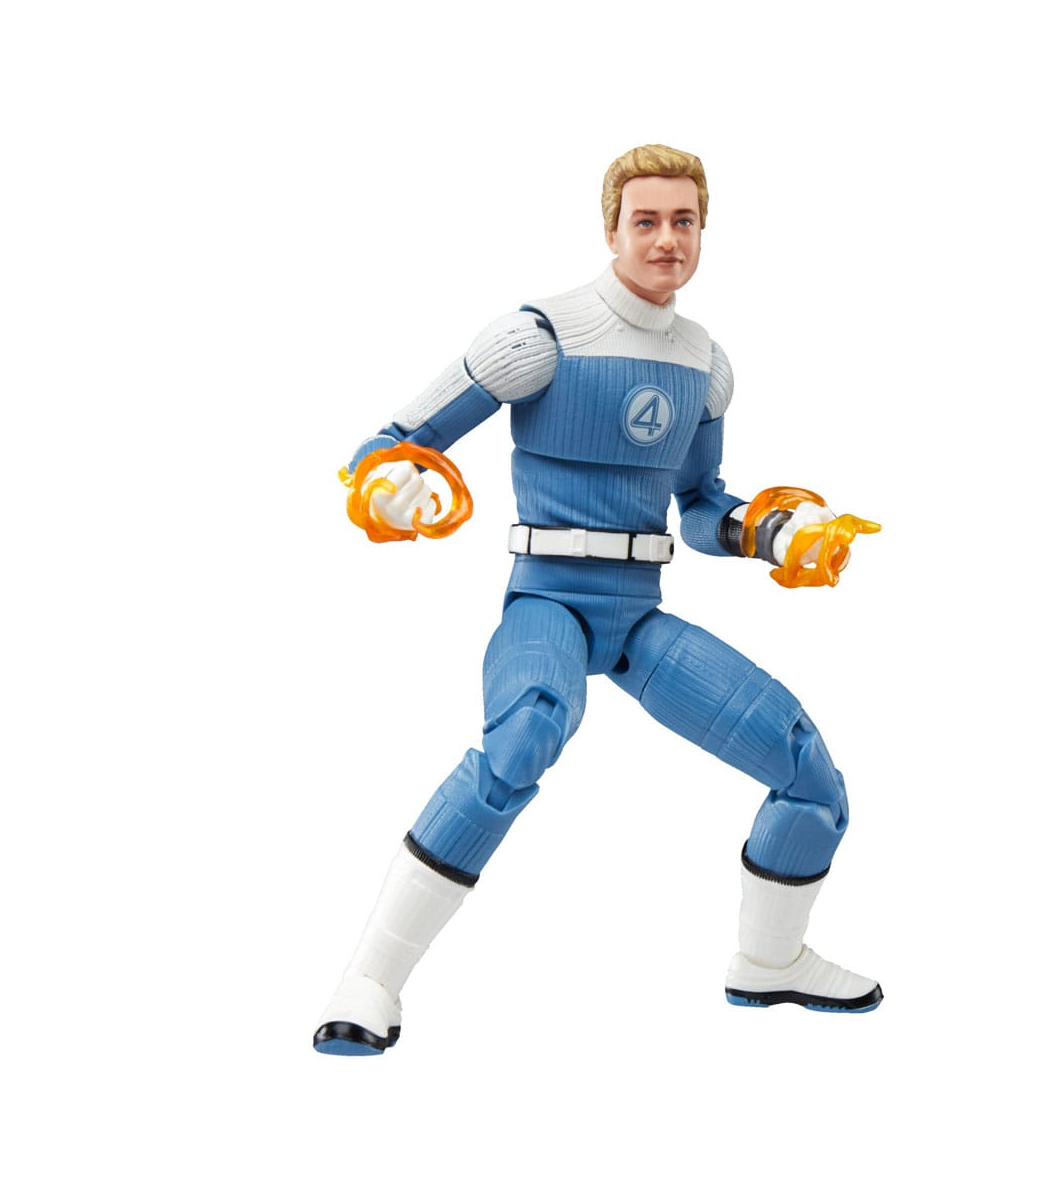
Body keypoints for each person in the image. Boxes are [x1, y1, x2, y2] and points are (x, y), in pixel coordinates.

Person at [314, 144, 882, 1056]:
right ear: (611, 228)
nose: (666, 240)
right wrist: (388, 487)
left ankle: (770, 961)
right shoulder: (539, 336)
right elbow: (391, 442)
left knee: (808, 772)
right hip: (548, 602)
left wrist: (774, 532)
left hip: (638, 617)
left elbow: (702, 508)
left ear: (704, 230)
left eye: (684, 221)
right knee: (524, 737)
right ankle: (370, 979)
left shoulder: (704, 363)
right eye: (646, 221)